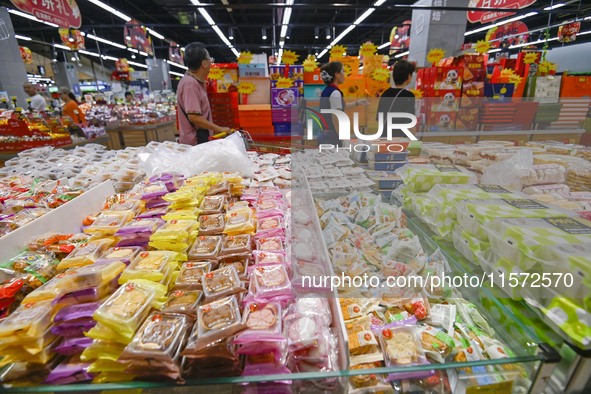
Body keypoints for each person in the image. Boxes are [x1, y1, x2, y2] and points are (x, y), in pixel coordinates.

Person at [176, 42, 232, 145]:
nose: (211, 63)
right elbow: (194, 117)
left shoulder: (196, 82)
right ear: (204, 64)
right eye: (210, 60)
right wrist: (220, 129)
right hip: (195, 143)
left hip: (201, 140)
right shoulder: (190, 84)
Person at [318, 61, 368, 146]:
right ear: (336, 74)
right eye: (343, 71)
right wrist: (343, 138)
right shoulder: (335, 93)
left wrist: (357, 103)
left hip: (325, 133)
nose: (344, 74)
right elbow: (335, 117)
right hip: (333, 136)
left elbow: (338, 107)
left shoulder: (327, 91)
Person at [376, 60, 416, 138]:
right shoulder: (408, 96)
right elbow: (410, 123)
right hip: (401, 139)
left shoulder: (385, 93)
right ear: (408, 76)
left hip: (384, 137)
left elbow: (379, 118)